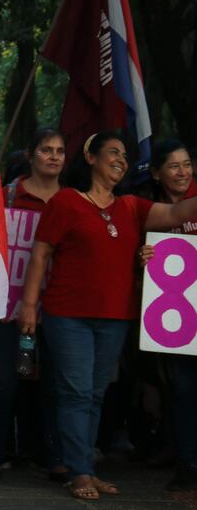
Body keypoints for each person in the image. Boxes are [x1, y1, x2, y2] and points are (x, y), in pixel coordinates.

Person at [18, 131, 197, 500]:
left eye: (125, 156)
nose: (121, 159)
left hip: (115, 317)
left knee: (96, 394)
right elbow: (40, 255)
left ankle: (85, 466)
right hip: (68, 315)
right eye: (113, 152)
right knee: (76, 392)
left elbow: (181, 212)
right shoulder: (66, 202)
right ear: (91, 157)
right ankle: (79, 472)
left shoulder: (132, 206)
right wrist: (30, 306)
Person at [0, 129, 66, 481]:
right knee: (3, 381)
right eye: (46, 150)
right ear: (31, 155)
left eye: (60, 151)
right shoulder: (8, 196)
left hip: (56, 309)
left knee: (47, 383)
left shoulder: (70, 201)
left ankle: (50, 454)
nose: (54, 156)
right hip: (7, 309)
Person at [138, 140, 197, 491]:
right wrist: (141, 257)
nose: (182, 172)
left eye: (187, 164)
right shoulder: (148, 211)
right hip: (173, 323)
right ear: (158, 173)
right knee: (182, 389)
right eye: (173, 166)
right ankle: (187, 462)